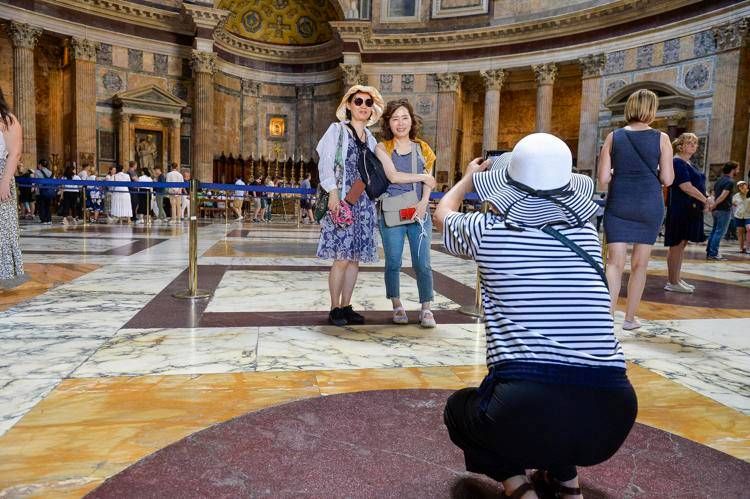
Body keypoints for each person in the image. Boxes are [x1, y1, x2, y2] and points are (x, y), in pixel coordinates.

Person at [437, 134, 637, 499]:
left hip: (523, 406)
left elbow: (442, 214)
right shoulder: (587, 235)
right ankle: (568, 484)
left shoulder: (489, 232)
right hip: (612, 416)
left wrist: (468, 179)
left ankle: (517, 486)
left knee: (460, 411)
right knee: (563, 400)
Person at [316, 85, 433, 327]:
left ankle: (347, 305)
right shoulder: (337, 131)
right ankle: (334, 307)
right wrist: (333, 193)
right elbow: (326, 163)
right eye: (358, 101)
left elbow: (373, 174)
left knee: (355, 258)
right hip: (342, 200)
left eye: (368, 103)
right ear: (348, 104)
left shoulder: (370, 139)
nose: (363, 107)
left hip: (363, 204)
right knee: (341, 257)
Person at [597, 89, 674, 330]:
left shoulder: (613, 137)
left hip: (620, 201)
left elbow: (602, 180)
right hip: (649, 204)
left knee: (613, 263)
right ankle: (629, 319)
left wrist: (614, 172)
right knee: (640, 263)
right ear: (652, 110)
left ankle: (607, 318)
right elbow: (668, 179)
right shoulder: (662, 138)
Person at [376, 98, 437, 328]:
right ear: (388, 123)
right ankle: (397, 304)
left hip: (418, 211)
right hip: (392, 211)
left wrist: (424, 202)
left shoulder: (423, 148)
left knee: (422, 262)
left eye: (404, 117)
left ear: (412, 120)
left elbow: (431, 181)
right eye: (395, 119)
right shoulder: (383, 147)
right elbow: (393, 176)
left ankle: (426, 308)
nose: (400, 123)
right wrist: (422, 177)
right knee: (393, 261)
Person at [663, 133, 710, 293]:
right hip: (681, 208)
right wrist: (706, 200)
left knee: (681, 245)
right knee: (676, 245)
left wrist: (706, 198)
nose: (694, 146)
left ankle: (676, 279)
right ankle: (672, 281)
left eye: (695, 143)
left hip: (689, 209)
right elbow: (686, 186)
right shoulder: (677, 162)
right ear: (680, 145)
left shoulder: (688, 163)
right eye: (690, 143)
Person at [0, 86, 29, 288]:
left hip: (1, 173)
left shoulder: (8, 120)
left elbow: (15, 153)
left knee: (3, 227)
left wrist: (4, 182)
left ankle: (5, 272)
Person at [706, 161, 739, 260]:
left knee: (715, 231)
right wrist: (714, 205)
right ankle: (713, 254)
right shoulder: (730, 181)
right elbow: (722, 196)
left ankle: (710, 251)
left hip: (716, 210)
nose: (738, 170)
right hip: (723, 210)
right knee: (720, 232)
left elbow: (715, 195)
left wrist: (713, 206)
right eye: (737, 168)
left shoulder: (719, 180)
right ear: (733, 169)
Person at [34, 158, 54, 225]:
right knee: (48, 206)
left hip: (40, 191)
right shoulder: (50, 172)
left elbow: (35, 182)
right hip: (49, 192)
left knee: (41, 206)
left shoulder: (37, 172)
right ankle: (49, 219)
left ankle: (44, 220)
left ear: (40, 165)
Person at [732, 181, 749, 253]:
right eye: (739, 186)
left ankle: (748, 247)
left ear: (746, 185)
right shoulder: (736, 195)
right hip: (738, 216)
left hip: (748, 215)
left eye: (743, 185)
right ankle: (741, 248)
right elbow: (733, 203)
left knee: (749, 229)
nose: (741, 186)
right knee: (740, 232)